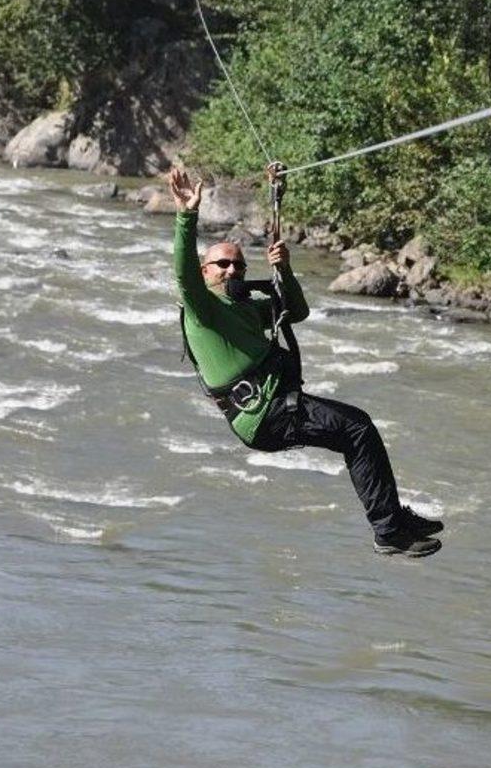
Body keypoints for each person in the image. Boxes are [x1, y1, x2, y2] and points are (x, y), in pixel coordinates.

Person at [169, 166, 443, 557]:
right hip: (265, 413)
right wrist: (186, 215)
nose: (233, 270)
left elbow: (295, 311)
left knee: (357, 431)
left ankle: (392, 520)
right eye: (223, 264)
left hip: (276, 406)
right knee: (358, 429)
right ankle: (388, 529)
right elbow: (182, 273)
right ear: (205, 272)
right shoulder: (203, 310)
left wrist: (283, 269)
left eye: (239, 265)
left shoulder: (245, 308)